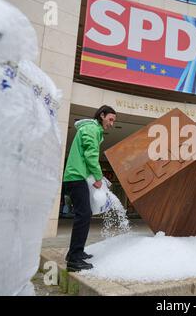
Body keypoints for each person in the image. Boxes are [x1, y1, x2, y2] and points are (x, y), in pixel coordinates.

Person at [63, 105, 116, 271]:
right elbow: (90, 156)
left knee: (83, 214)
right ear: (102, 115)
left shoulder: (92, 130)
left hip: (78, 176)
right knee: (83, 214)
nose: (112, 123)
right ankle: (74, 259)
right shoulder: (92, 129)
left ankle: (75, 253)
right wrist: (99, 178)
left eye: (114, 121)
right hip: (76, 177)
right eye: (110, 119)